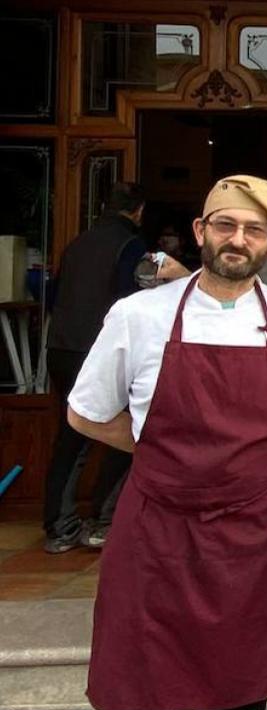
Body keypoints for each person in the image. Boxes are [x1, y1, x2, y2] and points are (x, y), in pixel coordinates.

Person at [66, 175, 267, 710]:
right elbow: (85, 414)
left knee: (236, 701)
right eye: (226, 225)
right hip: (157, 534)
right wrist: (161, 449)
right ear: (201, 232)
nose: (239, 239)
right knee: (134, 698)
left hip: (253, 542)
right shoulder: (138, 315)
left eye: (254, 230)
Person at [43, 183, 148, 552]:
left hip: (60, 346)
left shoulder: (77, 243)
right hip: (98, 350)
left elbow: (53, 295)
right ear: (138, 211)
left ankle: (59, 525)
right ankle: (102, 519)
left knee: (71, 435)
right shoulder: (131, 246)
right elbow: (128, 297)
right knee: (125, 432)